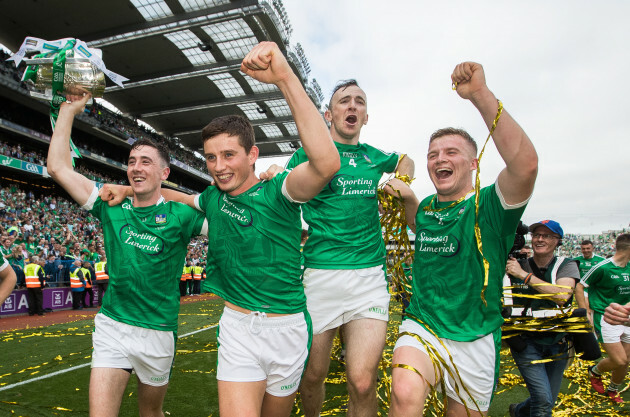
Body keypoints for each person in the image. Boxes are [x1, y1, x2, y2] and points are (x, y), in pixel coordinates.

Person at [101, 41, 339, 417]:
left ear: (253, 155)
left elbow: (326, 163)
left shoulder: (280, 191)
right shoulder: (213, 197)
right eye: (211, 157)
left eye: (229, 155)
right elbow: (180, 197)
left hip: (289, 329)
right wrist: (129, 188)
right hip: (238, 328)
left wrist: (284, 79)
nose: (218, 165)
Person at [386, 62, 538, 416]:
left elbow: (525, 165)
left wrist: (479, 96)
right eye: (433, 155)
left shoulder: (490, 206)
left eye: (451, 152)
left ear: (473, 163)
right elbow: (419, 223)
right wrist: (407, 196)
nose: (440, 159)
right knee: (405, 389)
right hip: (423, 325)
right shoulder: (426, 208)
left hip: (476, 337)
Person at [47, 93, 208, 417]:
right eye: (132, 161)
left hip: (158, 330)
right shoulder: (111, 204)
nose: (135, 167)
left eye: (146, 162)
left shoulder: (182, 215)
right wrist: (68, 110)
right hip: (113, 327)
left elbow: (224, 217)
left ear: (164, 173)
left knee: (151, 413)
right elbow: (58, 167)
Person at [275, 78, 415, 417]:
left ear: (366, 116)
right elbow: (284, 187)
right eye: (344, 101)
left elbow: (406, 159)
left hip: (368, 279)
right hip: (319, 277)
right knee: (311, 376)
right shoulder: (307, 154)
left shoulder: (373, 156)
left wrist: (403, 180)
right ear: (328, 114)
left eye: (359, 102)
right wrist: (275, 173)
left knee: (363, 382)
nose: (352, 106)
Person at [505, 220, 579, 416]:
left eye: (546, 235)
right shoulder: (514, 265)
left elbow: (562, 296)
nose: (539, 239)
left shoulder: (566, 265)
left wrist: (523, 275)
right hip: (526, 342)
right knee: (544, 401)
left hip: (558, 342)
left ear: (558, 241)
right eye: (536, 235)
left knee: (547, 399)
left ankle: (519, 411)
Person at [576, 233, 630, 403]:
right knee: (619, 360)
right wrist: (585, 313)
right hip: (606, 317)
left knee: (626, 360)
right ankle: (595, 371)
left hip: (626, 318)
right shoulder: (603, 266)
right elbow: (580, 286)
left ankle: (613, 389)